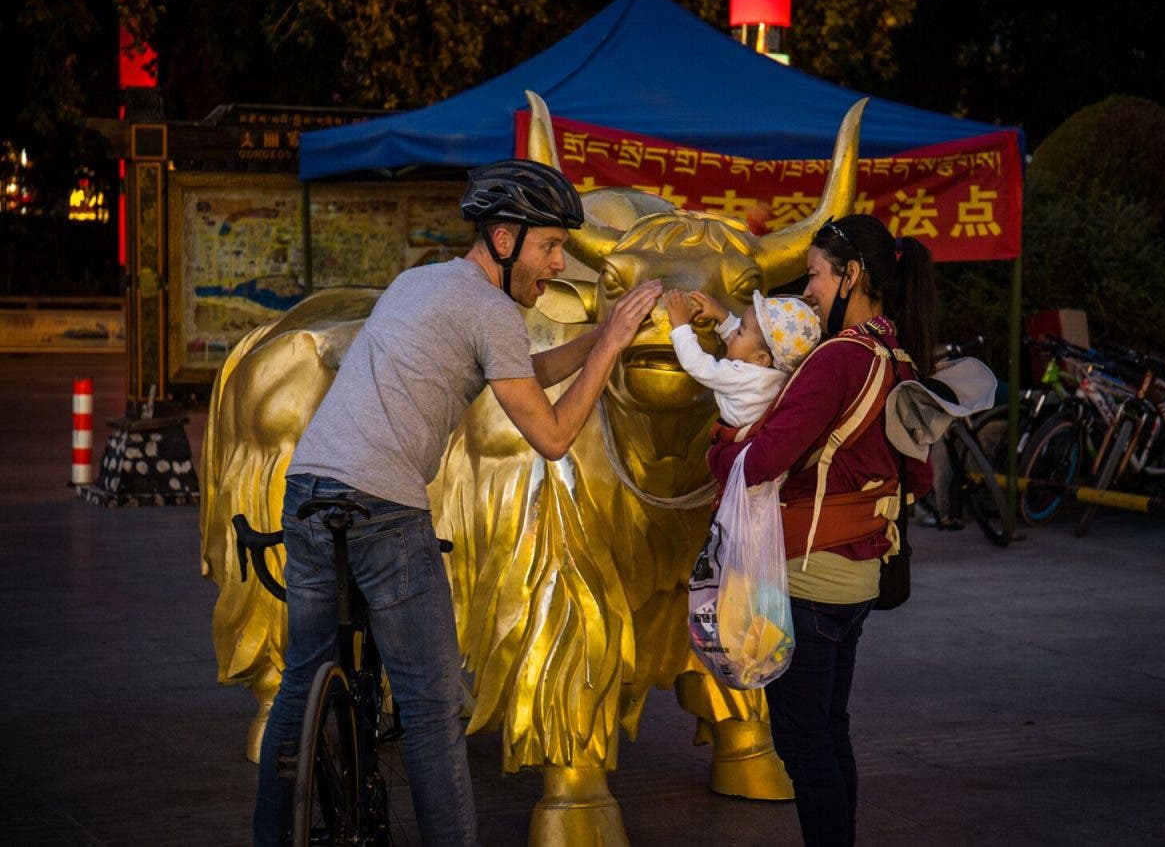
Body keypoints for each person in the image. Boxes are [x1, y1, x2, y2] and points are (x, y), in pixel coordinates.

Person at [252, 159, 661, 845]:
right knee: (431, 708)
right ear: (503, 238)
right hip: (384, 509)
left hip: (309, 490)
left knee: (300, 681)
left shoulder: (418, 283)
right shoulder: (492, 310)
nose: (557, 264)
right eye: (548, 246)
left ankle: (271, 836)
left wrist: (600, 337)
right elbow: (553, 436)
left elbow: (522, 372)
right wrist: (613, 344)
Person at [706, 214, 936, 845]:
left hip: (807, 576)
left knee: (804, 743)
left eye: (814, 275)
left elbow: (762, 462)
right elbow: (920, 477)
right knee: (829, 731)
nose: (807, 292)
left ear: (851, 274)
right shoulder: (898, 358)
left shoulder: (838, 358)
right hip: (858, 577)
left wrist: (721, 444)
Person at [663, 288, 821, 427]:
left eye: (739, 332)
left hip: (731, 435)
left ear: (762, 359)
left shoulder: (742, 376)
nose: (732, 334)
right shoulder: (778, 371)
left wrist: (680, 326)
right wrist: (721, 314)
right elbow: (750, 341)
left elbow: (697, 364)